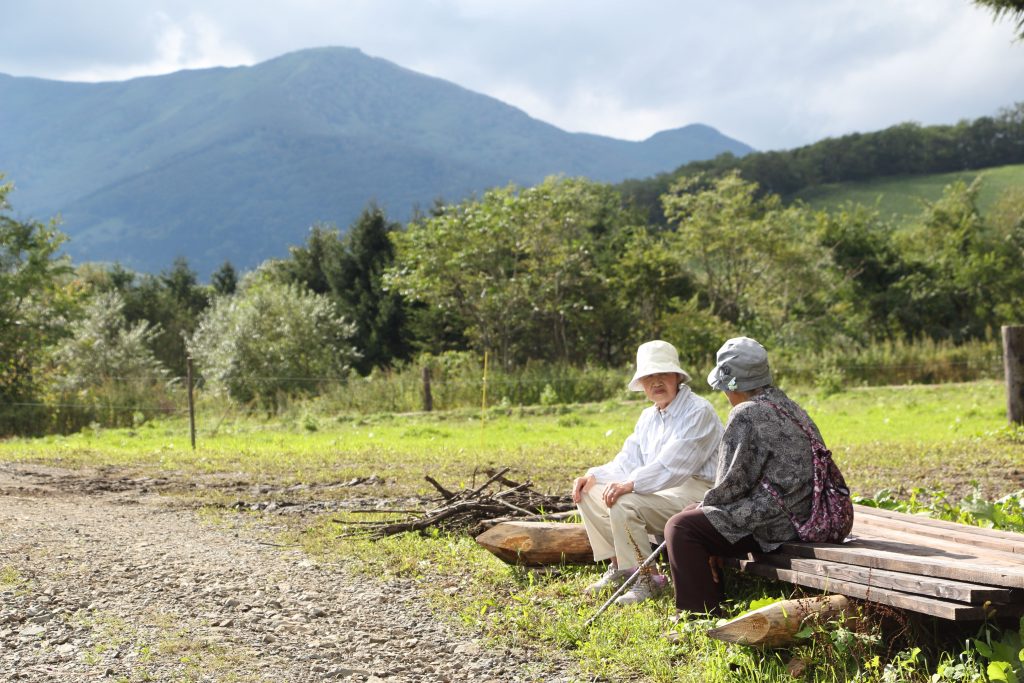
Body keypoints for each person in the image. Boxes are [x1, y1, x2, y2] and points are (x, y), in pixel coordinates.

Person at [663, 336, 825, 615]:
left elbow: (729, 487)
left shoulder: (746, 414)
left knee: (681, 527)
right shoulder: (789, 405)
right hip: (807, 513)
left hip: (778, 524)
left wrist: (703, 509)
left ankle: (699, 613)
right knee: (699, 517)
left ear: (729, 384)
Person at [572, 340, 723, 605]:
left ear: (677, 376)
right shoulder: (648, 417)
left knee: (625, 501)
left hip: (699, 492)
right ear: (641, 383)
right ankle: (621, 568)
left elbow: (675, 466)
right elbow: (628, 460)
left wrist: (630, 484)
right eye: (648, 377)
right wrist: (593, 476)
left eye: (662, 374)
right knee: (588, 493)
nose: (656, 382)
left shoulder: (698, 411)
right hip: (663, 488)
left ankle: (648, 579)